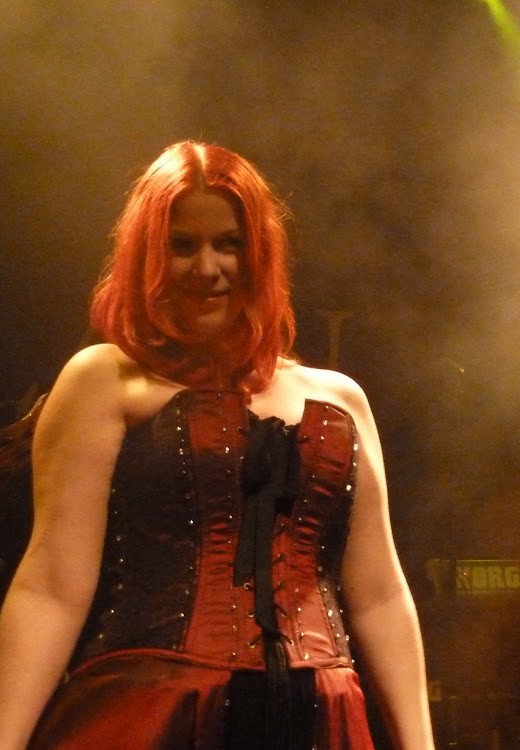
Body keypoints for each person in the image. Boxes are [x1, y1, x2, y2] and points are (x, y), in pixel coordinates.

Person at [0, 141, 436, 750]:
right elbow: (51, 587)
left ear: (258, 253)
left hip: (321, 720)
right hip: (153, 716)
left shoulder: (340, 397)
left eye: (228, 243)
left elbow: (381, 595)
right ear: (148, 255)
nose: (207, 268)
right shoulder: (105, 380)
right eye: (182, 245)